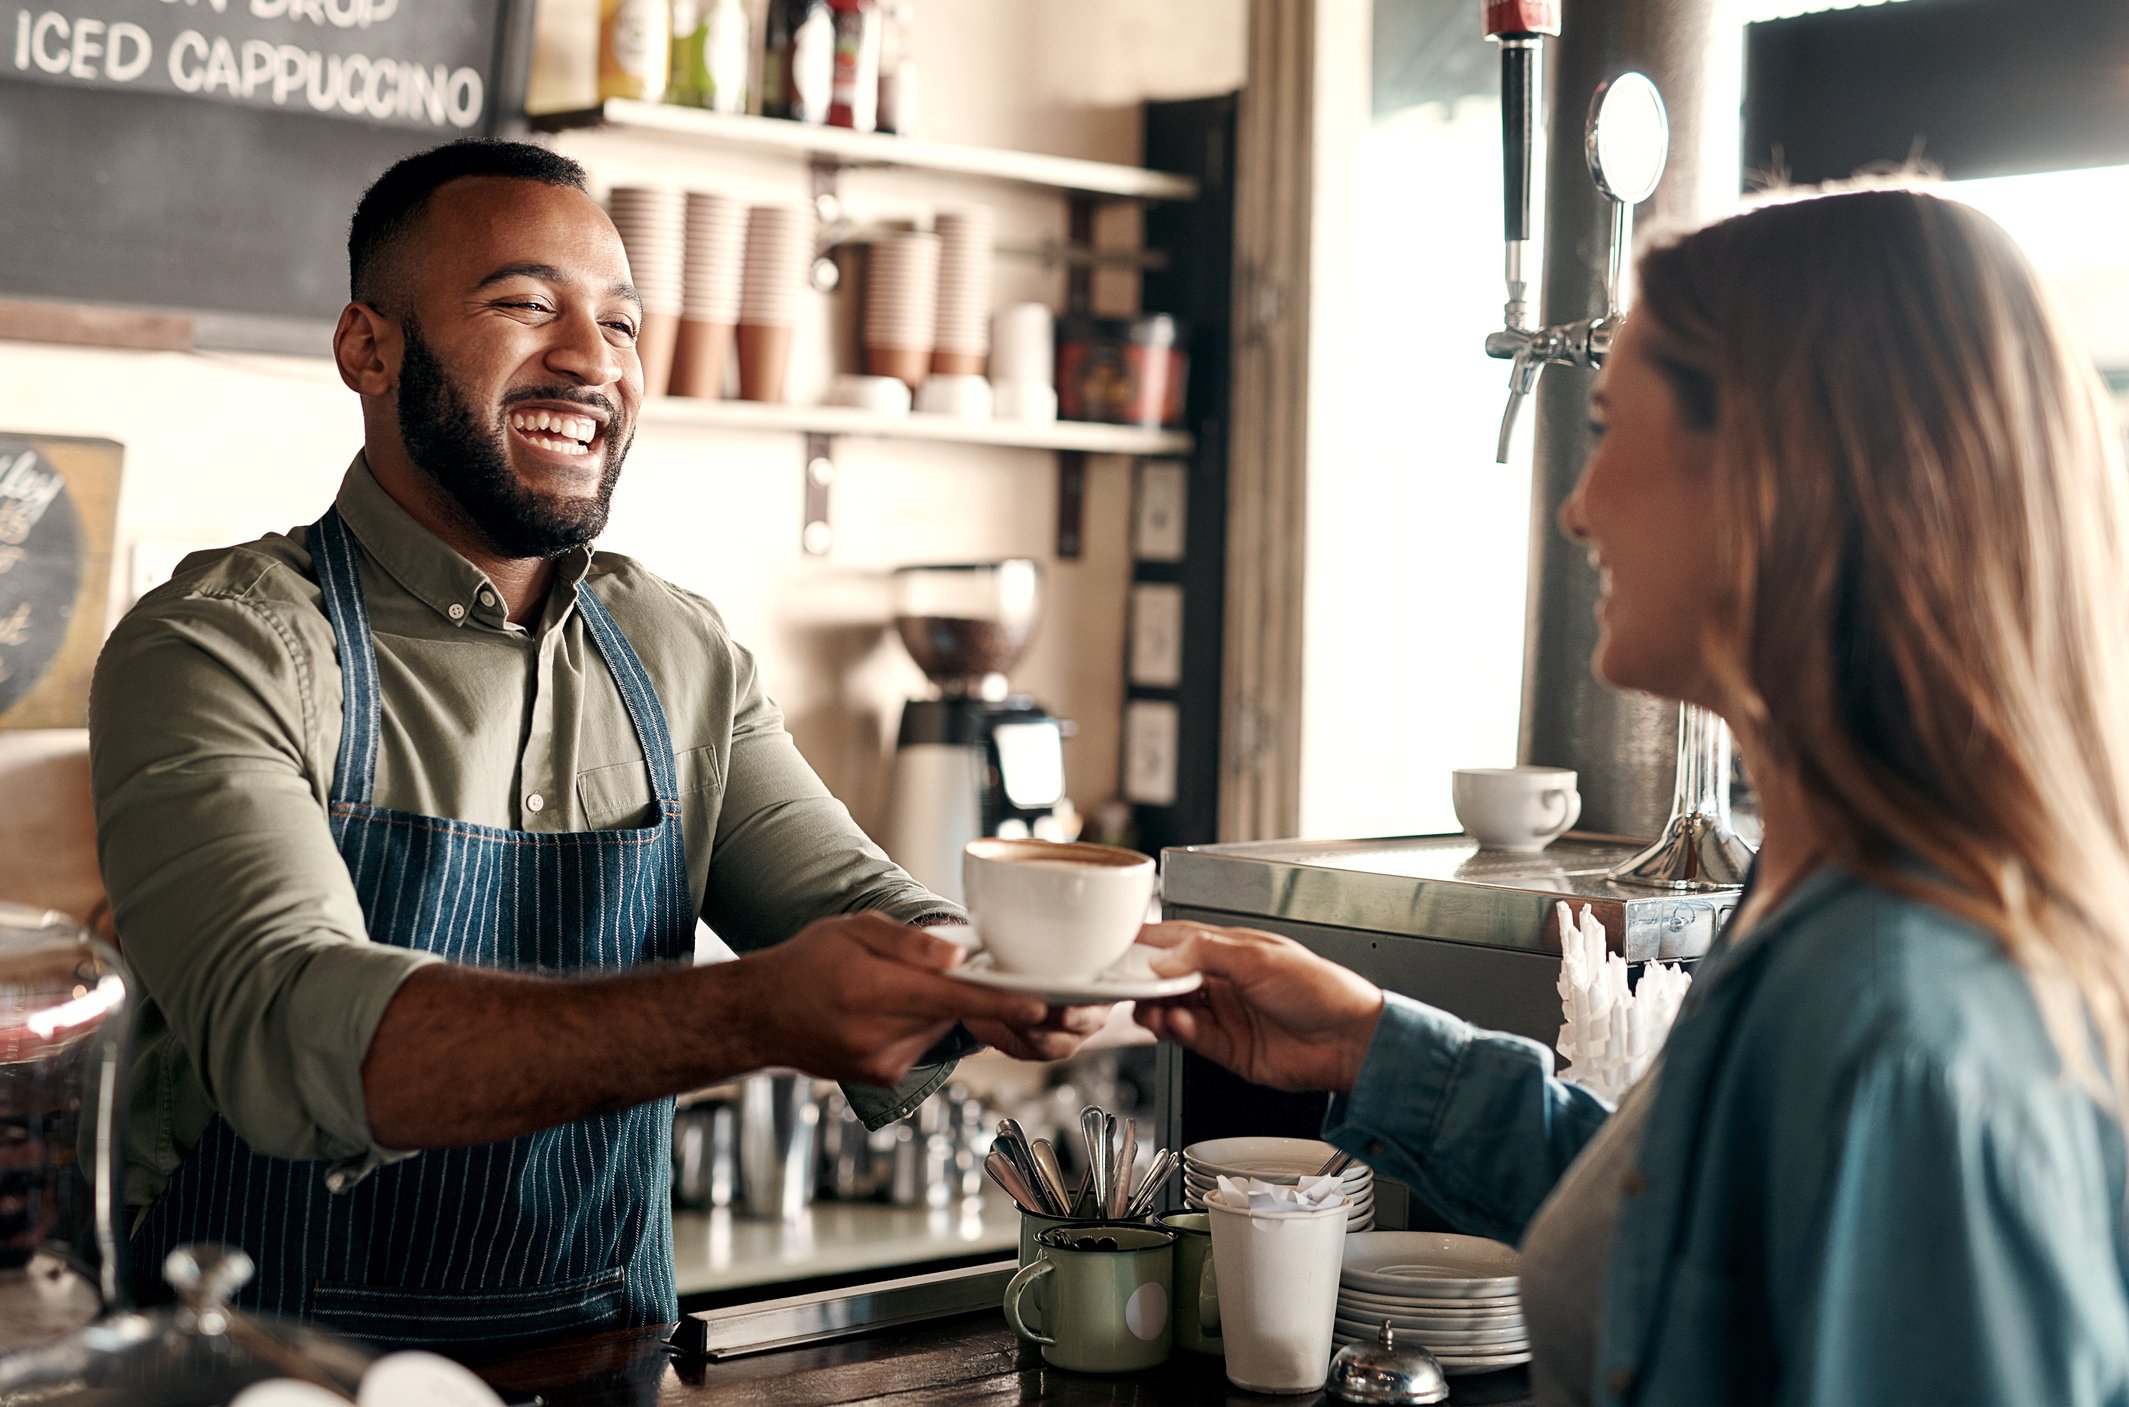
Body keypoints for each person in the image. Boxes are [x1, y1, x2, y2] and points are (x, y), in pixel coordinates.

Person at [88, 139, 1109, 1345]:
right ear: (369, 347)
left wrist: (1012, 975)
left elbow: (849, 900)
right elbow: (290, 1029)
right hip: (266, 1375)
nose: (589, 360)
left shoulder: (674, 651)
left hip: (604, 1365)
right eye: (525, 305)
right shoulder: (221, 647)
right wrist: (752, 1013)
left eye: (621, 326)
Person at [1137, 187, 2129, 1405]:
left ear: (1779, 475)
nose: (1578, 503)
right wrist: (1368, 1047)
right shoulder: (1805, 899)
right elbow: (1680, 1248)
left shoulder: (1895, 1029)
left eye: (1609, 428)